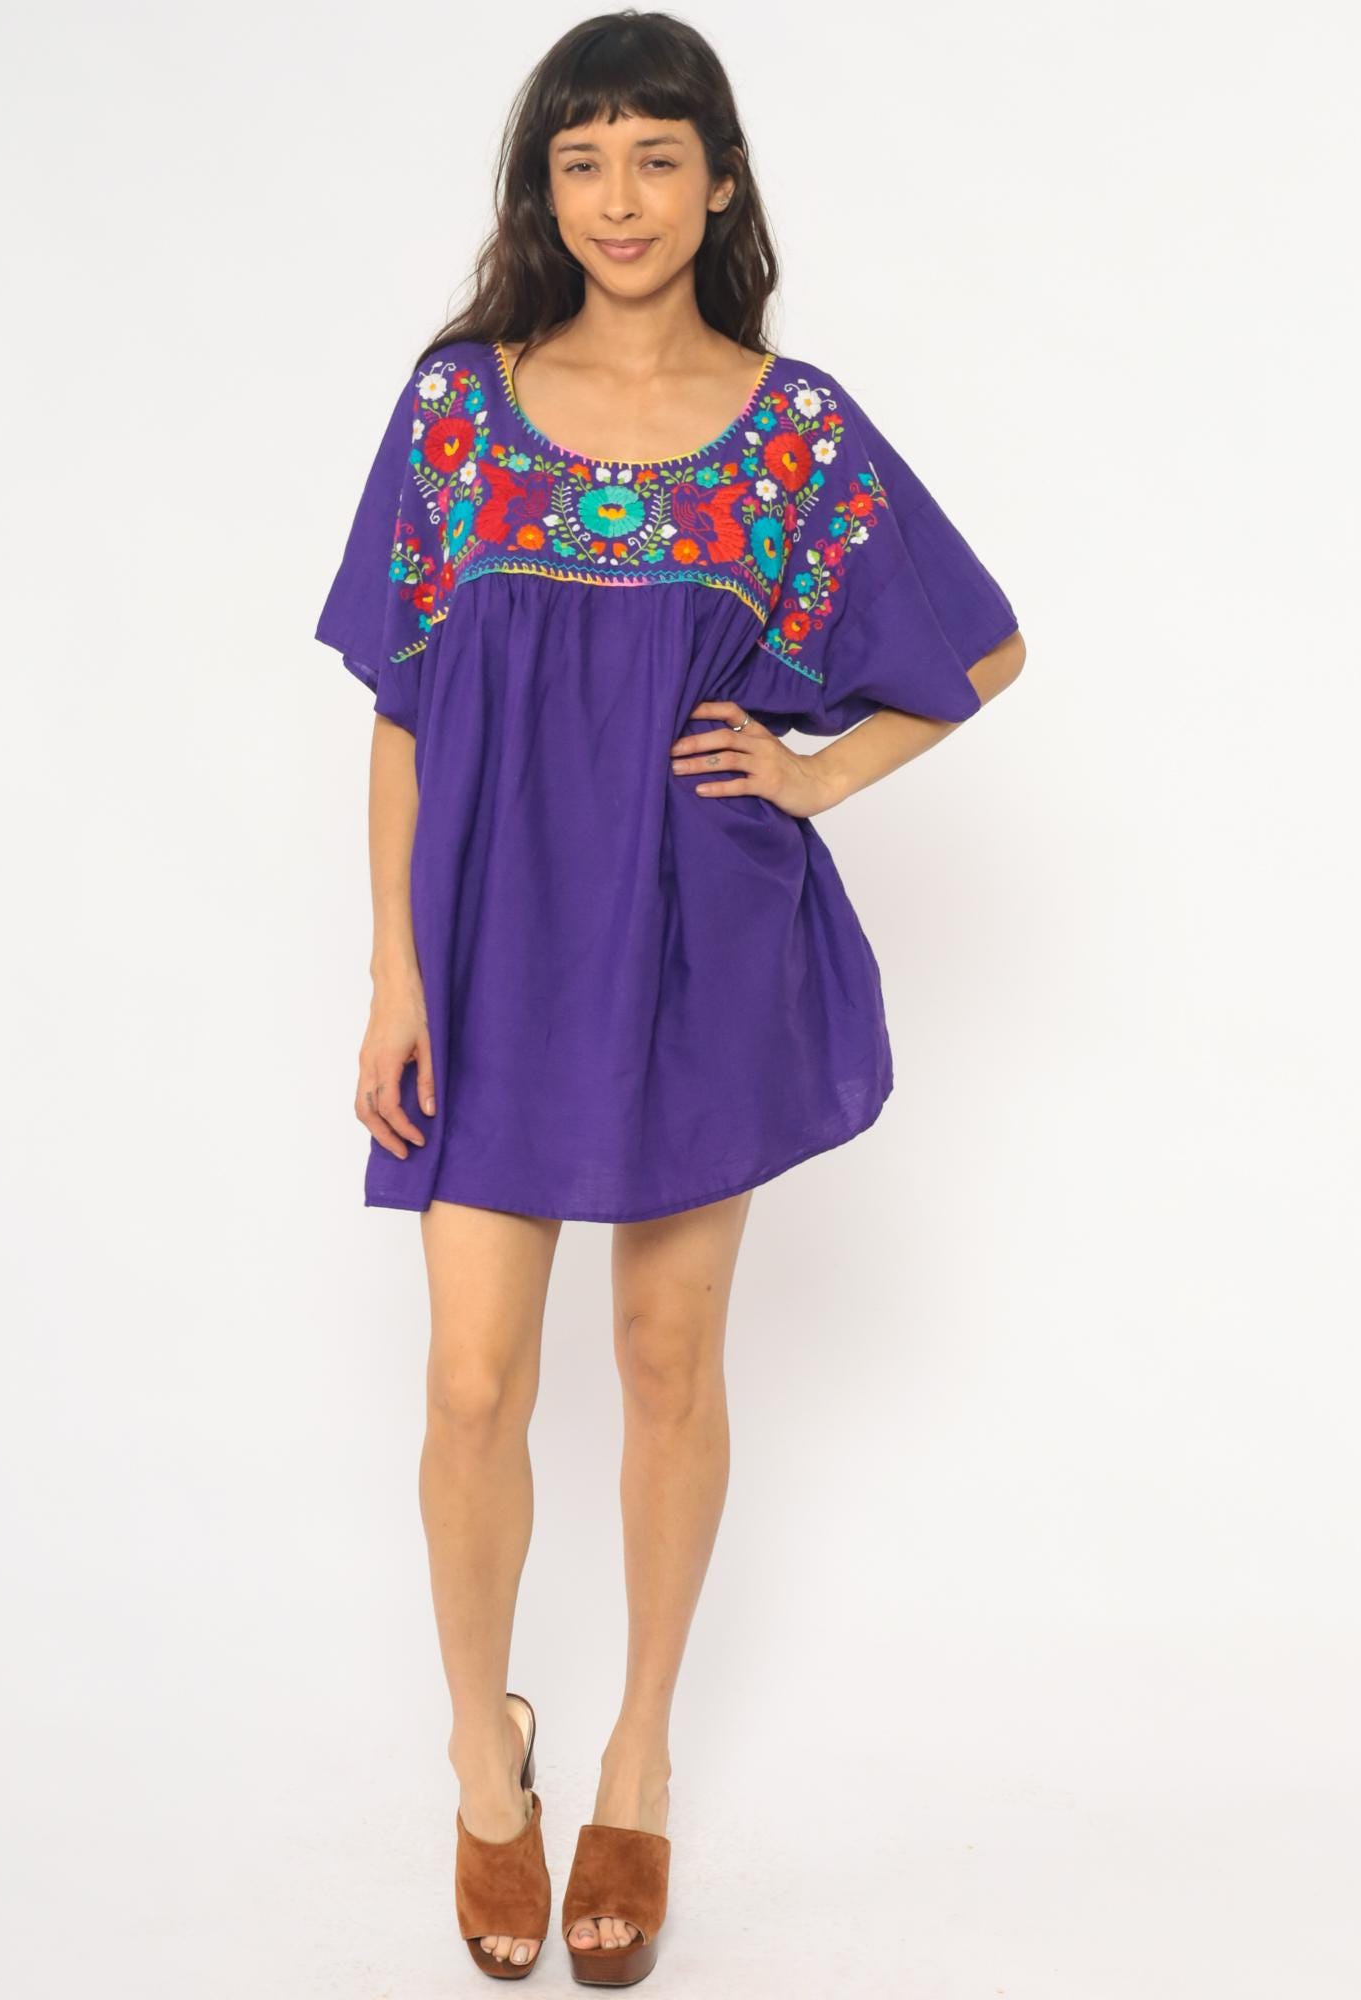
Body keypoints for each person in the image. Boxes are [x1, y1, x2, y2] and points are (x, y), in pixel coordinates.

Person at [313, 10, 1026, 1984]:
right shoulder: (458, 410)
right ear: (541, 191)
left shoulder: (794, 432)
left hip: (699, 940)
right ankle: (487, 1762)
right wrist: (393, 972)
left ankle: (635, 1757)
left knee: (662, 1360)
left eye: (654, 157)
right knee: (472, 1380)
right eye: (580, 161)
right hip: (488, 942)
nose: (617, 199)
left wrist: (813, 774)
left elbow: (978, 651)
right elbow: (399, 710)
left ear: (718, 185)